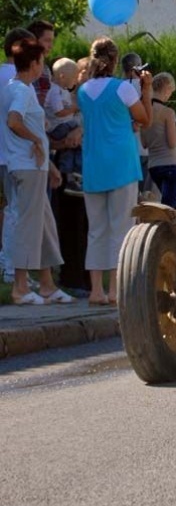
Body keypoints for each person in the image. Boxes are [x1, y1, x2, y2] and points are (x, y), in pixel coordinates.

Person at [77, 37, 152, 305]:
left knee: (96, 229)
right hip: (121, 164)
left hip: (94, 166)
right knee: (120, 227)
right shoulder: (123, 89)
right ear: (115, 60)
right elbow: (145, 118)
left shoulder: (83, 91)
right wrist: (146, 88)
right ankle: (115, 290)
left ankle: (96, 290)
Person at [0, 38, 73, 305]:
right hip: (27, 167)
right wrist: (33, 140)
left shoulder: (15, 88)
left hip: (33, 166)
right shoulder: (22, 91)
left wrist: (49, 165)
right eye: (42, 62)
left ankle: (47, 284)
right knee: (29, 228)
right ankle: (21, 287)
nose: (44, 67)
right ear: (33, 63)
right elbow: (14, 121)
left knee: (44, 226)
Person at [0, 27, 36, 283]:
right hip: (17, 154)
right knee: (17, 212)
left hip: (5, 153)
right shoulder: (20, 79)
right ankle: (12, 269)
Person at [142, 72, 176, 210]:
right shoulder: (168, 112)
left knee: (172, 205)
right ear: (166, 89)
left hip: (154, 166)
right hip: (170, 164)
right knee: (170, 208)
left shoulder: (144, 111)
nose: (170, 95)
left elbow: (144, 143)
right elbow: (172, 143)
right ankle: (166, 231)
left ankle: (173, 230)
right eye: (170, 92)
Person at [45, 57, 82, 185]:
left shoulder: (63, 90)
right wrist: (74, 109)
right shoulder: (54, 91)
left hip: (64, 124)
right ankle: (69, 172)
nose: (76, 81)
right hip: (58, 127)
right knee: (79, 136)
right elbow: (59, 112)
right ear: (62, 76)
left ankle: (71, 172)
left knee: (76, 142)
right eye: (73, 78)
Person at [121, 50, 151, 194]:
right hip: (143, 146)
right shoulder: (144, 86)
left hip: (125, 147)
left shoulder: (118, 87)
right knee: (143, 195)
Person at [27, 19, 55, 108]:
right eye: (47, 40)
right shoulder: (20, 68)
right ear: (33, 40)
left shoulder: (45, 69)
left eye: (52, 41)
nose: (51, 46)